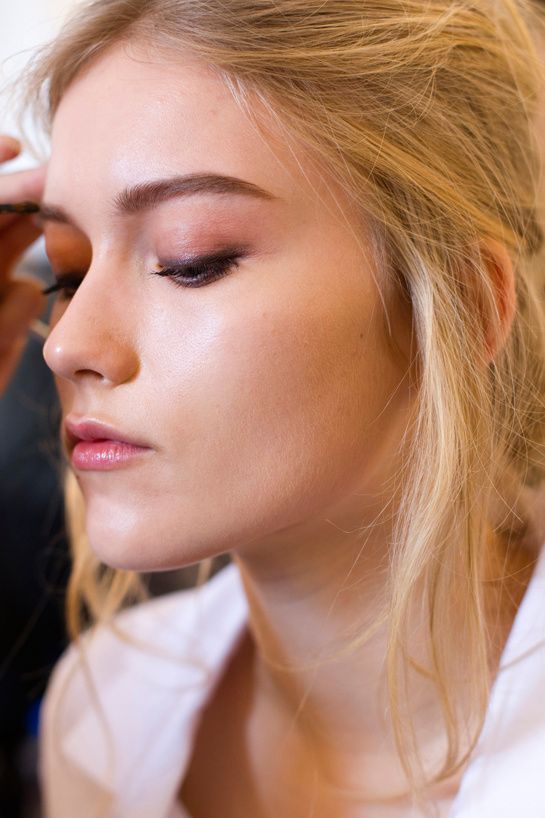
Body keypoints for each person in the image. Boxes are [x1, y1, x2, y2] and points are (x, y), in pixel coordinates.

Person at [0, 0, 545, 815]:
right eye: (69, 274)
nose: (66, 344)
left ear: (462, 308)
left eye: (190, 259)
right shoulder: (107, 709)